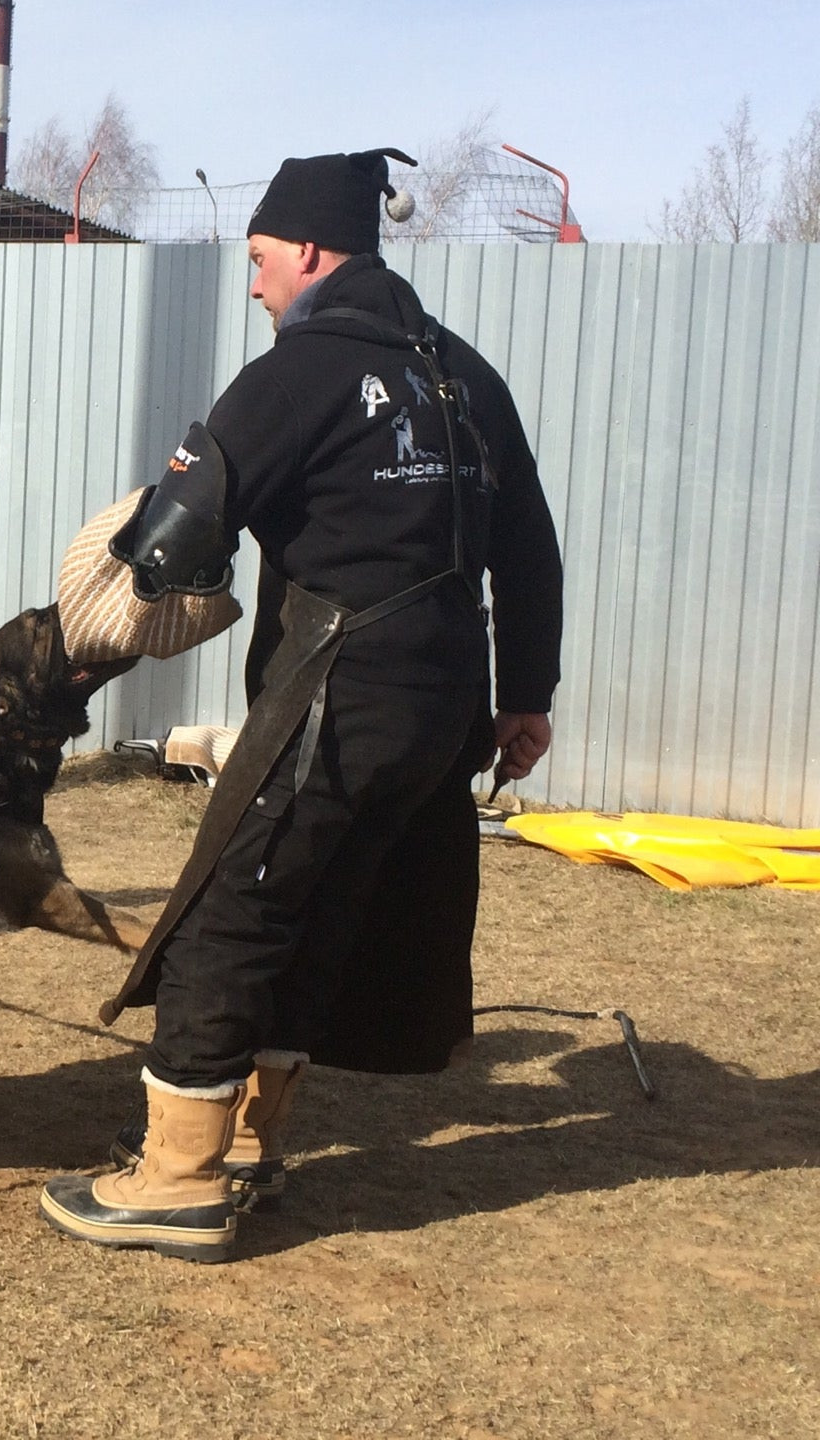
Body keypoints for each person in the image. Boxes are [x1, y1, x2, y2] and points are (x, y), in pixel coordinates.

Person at [41, 148, 564, 1263]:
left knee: (235, 909)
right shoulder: (467, 374)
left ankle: (175, 1179)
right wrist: (526, 698)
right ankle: (250, 1146)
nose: (256, 283)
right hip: (445, 707)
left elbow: (177, 535)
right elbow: (529, 552)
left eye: (264, 259)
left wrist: (99, 631)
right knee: (318, 909)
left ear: (314, 253)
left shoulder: (298, 370)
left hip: (341, 691)